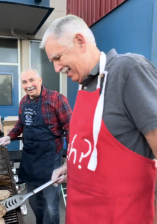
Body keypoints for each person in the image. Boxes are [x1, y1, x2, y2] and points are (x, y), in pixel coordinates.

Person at [40, 14, 157, 224]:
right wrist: (71, 167)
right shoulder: (86, 84)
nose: (56, 68)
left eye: (57, 58)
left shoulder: (128, 70)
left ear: (80, 41)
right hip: (80, 214)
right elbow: (92, 145)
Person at [0, 69, 72, 224]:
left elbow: (70, 129)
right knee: (34, 201)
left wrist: (69, 160)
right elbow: (20, 125)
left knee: (51, 204)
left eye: (32, 80)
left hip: (51, 157)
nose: (28, 85)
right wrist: (8, 136)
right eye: (24, 82)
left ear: (40, 80)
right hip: (30, 157)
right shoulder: (24, 102)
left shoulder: (56, 99)